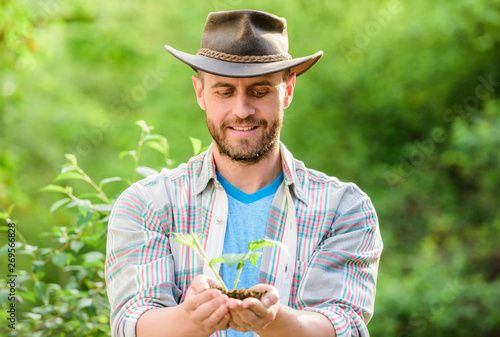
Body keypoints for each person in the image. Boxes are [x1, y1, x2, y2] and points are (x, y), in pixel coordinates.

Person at [105, 9, 383, 337]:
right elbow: (131, 324)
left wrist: (274, 320)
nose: (242, 110)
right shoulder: (147, 204)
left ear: (288, 90)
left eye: (260, 91)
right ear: (199, 92)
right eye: (224, 91)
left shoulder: (343, 208)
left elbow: (344, 325)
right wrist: (191, 319)